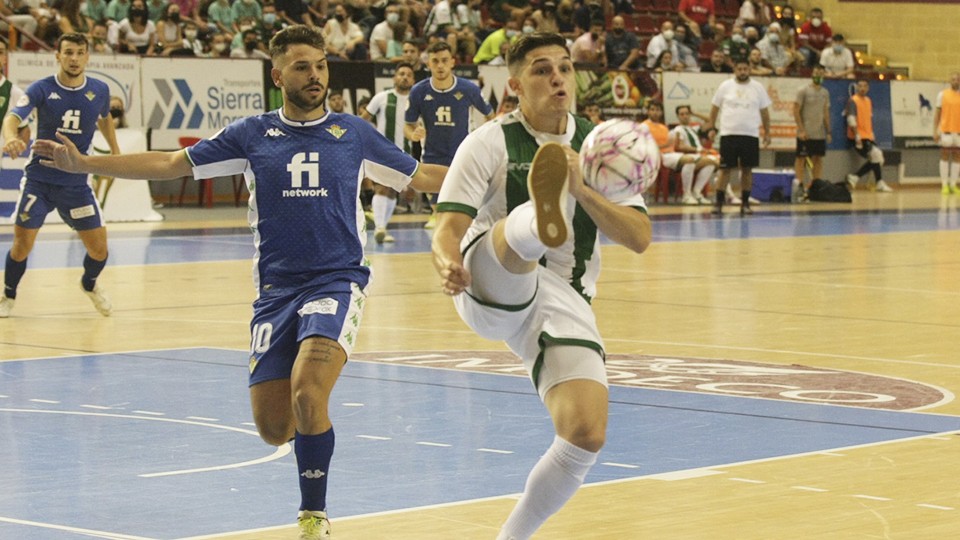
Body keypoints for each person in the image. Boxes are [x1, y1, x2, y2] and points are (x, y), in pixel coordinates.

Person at [33, 25, 448, 539]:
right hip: (275, 291)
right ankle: (313, 437)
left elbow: (423, 177)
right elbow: (167, 164)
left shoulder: (353, 133)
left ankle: (313, 517)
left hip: (336, 281)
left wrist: (492, 180)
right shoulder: (252, 135)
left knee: (307, 393)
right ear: (278, 76)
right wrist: (85, 162)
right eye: (302, 66)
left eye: (320, 65)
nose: (315, 75)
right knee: (275, 428)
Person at [431, 32, 652, 540]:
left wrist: (582, 191)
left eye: (564, 68)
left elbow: (638, 237)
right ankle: (536, 218)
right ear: (514, 85)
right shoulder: (487, 141)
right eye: (541, 69)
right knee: (514, 237)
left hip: (564, 298)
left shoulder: (600, 146)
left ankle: (510, 538)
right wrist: (446, 263)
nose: (556, 78)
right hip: (487, 275)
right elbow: (446, 228)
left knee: (584, 434)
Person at [0, 33, 120, 319]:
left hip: (76, 184)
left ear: (88, 56)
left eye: (80, 52)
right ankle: (8, 294)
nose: (74, 58)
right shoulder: (42, 88)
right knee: (21, 246)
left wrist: (116, 152)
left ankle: (88, 284)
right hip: (39, 182)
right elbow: (12, 118)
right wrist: (9, 137)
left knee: (100, 251)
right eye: (68, 52)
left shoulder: (100, 90)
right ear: (58, 55)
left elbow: (104, 119)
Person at [405, 40, 494, 227]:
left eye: (444, 60)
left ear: (452, 62)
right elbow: (408, 125)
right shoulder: (419, 91)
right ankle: (438, 224)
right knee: (441, 213)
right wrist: (413, 134)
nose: (440, 66)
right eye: (435, 61)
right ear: (428, 63)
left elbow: (490, 115)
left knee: (465, 209)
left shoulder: (468, 89)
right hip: (432, 155)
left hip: (462, 153)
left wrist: (485, 138)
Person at [706, 59, 771, 215]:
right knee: (725, 169)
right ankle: (718, 203)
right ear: (735, 69)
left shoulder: (758, 88)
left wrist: (767, 132)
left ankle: (745, 203)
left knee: (747, 170)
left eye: (745, 68)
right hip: (729, 133)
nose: (742, 71)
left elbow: (764, 112)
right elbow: (715, 108)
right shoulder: (725, 86)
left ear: (749, 69)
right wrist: (712, 127)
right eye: (739, 68)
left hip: (750, 134)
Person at [361, 62, 417, 244]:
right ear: (394, 77)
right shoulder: (382, 97)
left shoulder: (415, 102)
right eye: (401, 73)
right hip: (383, 151)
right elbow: (363, 121)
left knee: (393, 191)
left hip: (405, 153)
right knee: (382, 187)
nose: (405, 77)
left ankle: (381, 228)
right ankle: (380, 227)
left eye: (408, 74)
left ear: (413, 80)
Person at [845, 79, 892, 192]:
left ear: (868, 88)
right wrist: (857, 135)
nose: (862, 88)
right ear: (856, 87)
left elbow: (867, 119)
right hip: (857, 137)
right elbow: (851, 119)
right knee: (876, 155)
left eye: (865, 86)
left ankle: (856, 177)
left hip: (867, 136)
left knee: (877, 158)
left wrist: (871, 133)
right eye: (860, 86)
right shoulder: (853, 101)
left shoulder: (868, 101)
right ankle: (878, 182)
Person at [793, 64, 830, 200]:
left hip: (819, 133)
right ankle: (799, 186)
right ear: (812, 74)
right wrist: (801, 130)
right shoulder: (803, 90)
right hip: (805, 133)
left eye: (821, 73)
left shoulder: (825, 93)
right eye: (816, 73)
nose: (818, 76)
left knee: (818, 159)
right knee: (801, 159)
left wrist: (829, 131)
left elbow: (826, 112)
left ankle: (816, 186)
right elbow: (796, 110)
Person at [668, 104, 717, 205]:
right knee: (711, 161)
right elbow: (678, 147)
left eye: (687, 113)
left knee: (711, 164)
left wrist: (694, 113)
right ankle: (686, 195)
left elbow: (710, 121)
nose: (685, 116)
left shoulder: (694, 129)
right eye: (682, 114)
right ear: (678, 116)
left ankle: (697, 193)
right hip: (688, 156)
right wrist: (698, 149)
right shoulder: (678, 129)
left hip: (698, 156)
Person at [935, 72, 960, 195]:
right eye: (953, 79)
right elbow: (937, 114)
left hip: (959, 132)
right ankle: (944, 185)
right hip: (946, 131)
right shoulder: (942, 94)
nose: (955, 81)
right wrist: (935, 130)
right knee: (945, 155)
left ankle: (953, 185)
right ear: (950, 81)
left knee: (957, 157)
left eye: (957, 79)